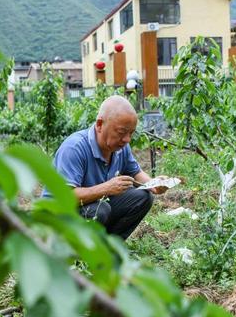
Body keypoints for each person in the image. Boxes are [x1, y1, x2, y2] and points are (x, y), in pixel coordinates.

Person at [51, 96, 167, 239]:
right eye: (121, 132)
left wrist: (154, 184)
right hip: (60, 217)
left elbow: (136, 172)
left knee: (143, 197)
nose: (127, 139)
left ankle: (109, 249)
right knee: (100, 210)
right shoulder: (74, 148)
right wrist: (106, 188)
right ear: (100, 125)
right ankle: (76, 253)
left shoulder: (120, 147)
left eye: (131, 133)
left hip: (93, 207)